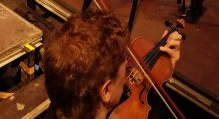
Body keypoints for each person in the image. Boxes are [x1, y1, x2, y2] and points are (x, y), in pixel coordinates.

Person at [42, 9, 182, 119]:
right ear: (106, 90)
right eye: (124, 64)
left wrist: (164, 66)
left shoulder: (59, 102)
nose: (129, 68)